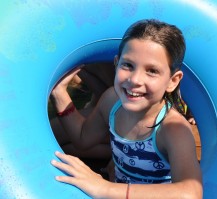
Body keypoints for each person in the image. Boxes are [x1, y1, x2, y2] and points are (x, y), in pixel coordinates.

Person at [50, 19, 202, 198]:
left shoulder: (173, 129)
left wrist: (105, 188)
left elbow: (190, 193)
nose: (135, 79)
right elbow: (83, 139)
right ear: (116, 63)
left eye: (152, 71)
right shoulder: (111, 101)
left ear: (172, 81)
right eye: (128, 65)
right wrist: (59, 94)